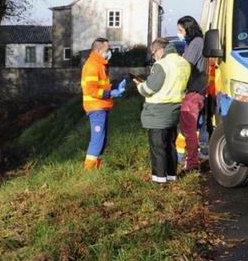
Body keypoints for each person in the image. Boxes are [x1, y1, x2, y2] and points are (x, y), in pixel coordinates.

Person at [135, 38, 191, 183]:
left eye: (153, 54)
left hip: (158, 112)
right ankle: (172, 176)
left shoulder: (162, 65)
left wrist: (139, 85)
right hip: (174, 109)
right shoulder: (183, 62)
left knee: (158, 147)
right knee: (170, 145)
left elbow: (149, 89)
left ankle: (159, 179)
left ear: (159, 50)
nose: (154, 57)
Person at [80, 38, 125, 170]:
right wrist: (110, 93)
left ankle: (95, 170)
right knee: (98, 140)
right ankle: (88, 171)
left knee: (102, 140)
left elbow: (101, 86)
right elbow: (91, 90)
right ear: (99, 50)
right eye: (107, 50)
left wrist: (114, 87)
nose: (109, 52)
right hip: (96, 107)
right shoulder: (92, 65)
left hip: (100, 106)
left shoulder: (99, 64)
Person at [177, 16, 209, 172]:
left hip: (192, 90)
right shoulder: (197, 42)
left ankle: (192, 163)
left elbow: (186, 66)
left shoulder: (196, 43)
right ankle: (192, 158)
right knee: (192, 129)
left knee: (188, 129)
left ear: (188, 29)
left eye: (181, 30)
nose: (180, 34)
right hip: (198, 89)